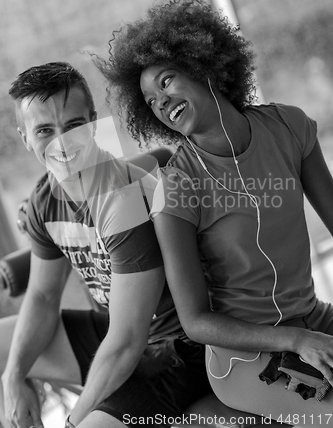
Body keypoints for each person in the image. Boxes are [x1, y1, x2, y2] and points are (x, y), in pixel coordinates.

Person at [97, 0, 333, 427]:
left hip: (314, 322)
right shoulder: (177, 190)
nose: (162, 102)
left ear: (203, 64)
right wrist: (296, 339)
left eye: (166, 82)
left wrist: (307, 332)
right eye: (150, 102)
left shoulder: (288, 127)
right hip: (245, 359)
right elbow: (196, 322)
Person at [0, 61, 213, 428]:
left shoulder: (122, 197)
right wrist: (13, 378)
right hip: (114, 333)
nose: (62, 143)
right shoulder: (43, 200)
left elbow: (128, 340)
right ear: (24, 136)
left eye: (74, 126)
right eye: (45, 130)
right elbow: (42, 298)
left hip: (176, 352)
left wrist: (71, 421)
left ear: (94, 121)